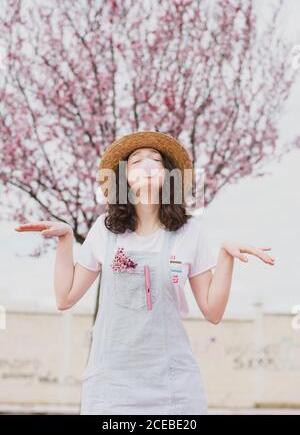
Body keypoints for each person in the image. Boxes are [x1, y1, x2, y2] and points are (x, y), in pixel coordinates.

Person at [15, 130, 275, 415]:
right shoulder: (105, 229)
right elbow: (65, 298)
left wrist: (226, 255)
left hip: (172, 386)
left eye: (156, 160)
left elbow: (213, 312)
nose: (148, 165)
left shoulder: (189, 232)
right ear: (125, 176)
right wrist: (65, 240)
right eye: (137, 161)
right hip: (112, 385)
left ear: (167, 175)